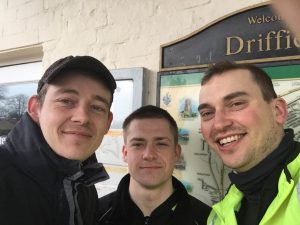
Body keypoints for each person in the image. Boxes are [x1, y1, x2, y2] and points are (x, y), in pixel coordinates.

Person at [0, 55, 116, 225]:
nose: (82, 118)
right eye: (66, 101)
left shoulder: (83, 183)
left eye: (97, 108)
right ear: (35, 108)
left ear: (107, 123)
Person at [198, 61, 300, 225]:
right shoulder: (219, 215)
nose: (218, 124)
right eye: (207, 113)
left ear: (278, 111)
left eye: (236, 104)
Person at [98, 105, 211, 225]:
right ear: (125, 153)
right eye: (138, 144)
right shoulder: (93, 215)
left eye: (161, 144)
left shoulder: (208, 220)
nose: (149, 155)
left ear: (176, 153)